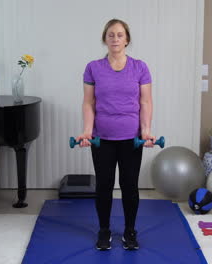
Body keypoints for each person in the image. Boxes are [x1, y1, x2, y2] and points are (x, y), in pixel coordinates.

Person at [76, 18, 155, 251]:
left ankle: (130, 231)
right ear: (105, 39)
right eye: (111, 35)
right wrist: (88, 131)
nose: (115, 39)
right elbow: (88, 102)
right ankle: (104, 231)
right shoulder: (93, 67)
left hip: (131, 138)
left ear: (127, 39)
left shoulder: (140, 67)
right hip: (103, 139)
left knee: (129, 185)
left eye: (120, 35)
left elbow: (146, 101)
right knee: (104, 185)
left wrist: (146, 130)